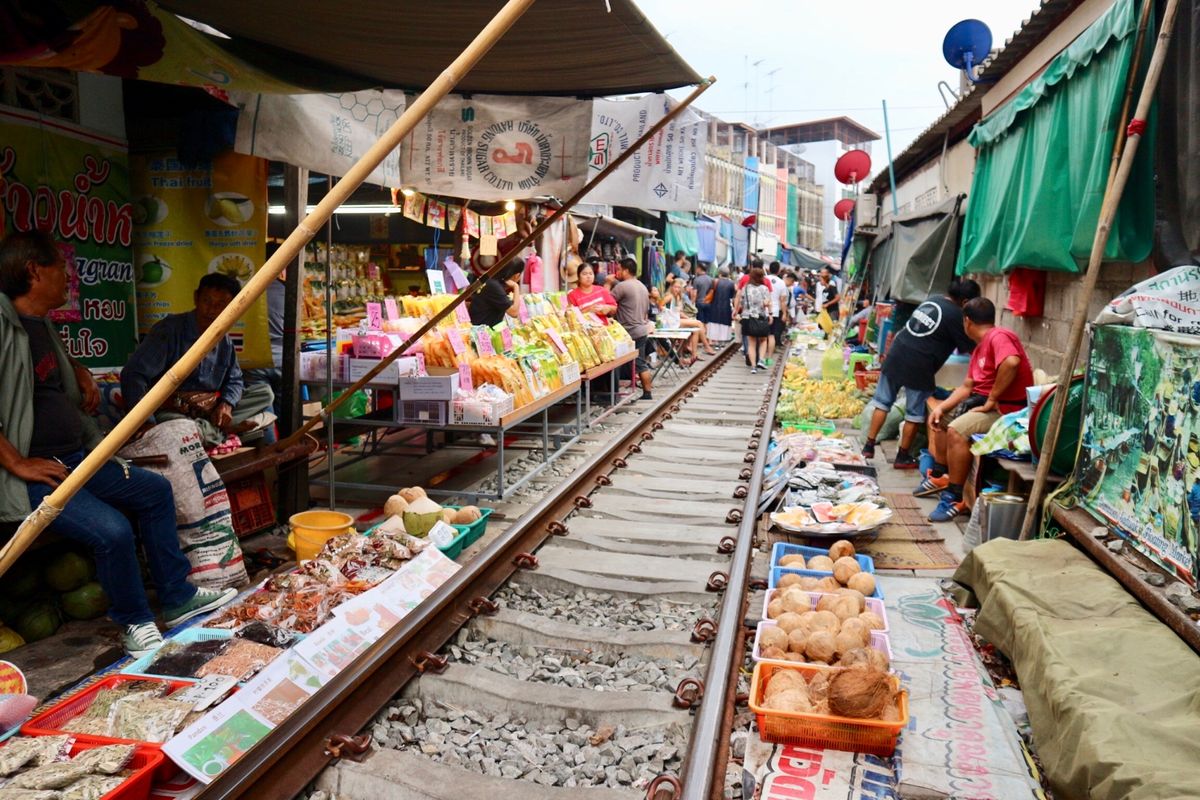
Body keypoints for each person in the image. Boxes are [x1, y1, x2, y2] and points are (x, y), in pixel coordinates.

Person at [0, 231, 235, 657]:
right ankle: (134, 622)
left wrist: (78, 371)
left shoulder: (41, 323)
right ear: (34, 271)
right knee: (112, 530)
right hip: (38, 473)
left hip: (76, 458)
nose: (68, 276)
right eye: (61, 267)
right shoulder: (2, 324)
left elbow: (47, 378)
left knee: (155, 491)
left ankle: (177, 596)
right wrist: (17, 462)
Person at [122, 273, 276, 448]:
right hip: (172, 412)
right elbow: (133, 374)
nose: (211, 310)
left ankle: (213, 430)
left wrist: (226, 404)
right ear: (196, 298)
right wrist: (146, 422)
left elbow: (234, 380)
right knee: (183, 430)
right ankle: (222, 431)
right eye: (207, 301)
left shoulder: (224, 340)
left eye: (220, 305)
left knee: (264, 393)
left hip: (209, 411)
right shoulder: (169, 330)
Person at [922, 298, 1035, 522]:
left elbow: (1011, 362)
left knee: (956, 430)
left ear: (967, 321)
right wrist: (941, 408)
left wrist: (992, 398)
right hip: (987, 405)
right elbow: (967, 387)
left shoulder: (998, 336)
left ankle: (954, 496)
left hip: (1008, 412)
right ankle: (943, 474)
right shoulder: (980, 348)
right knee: (940, 419)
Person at [861, 279, 981, 465]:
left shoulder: (933, 300)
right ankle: (902, 456)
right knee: (914, 414)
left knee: (882, 402)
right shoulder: (957, 315)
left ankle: (868, 447)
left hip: (896, 353)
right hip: (919, 364)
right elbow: (971, 348)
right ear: (965, 302)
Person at [611, 257, 654, 401]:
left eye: (619, 269)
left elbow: (607, 301)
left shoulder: (622, 286)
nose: (617, 272)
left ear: (626, 270)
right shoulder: (642, 286)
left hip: (628, 332)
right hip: (641, 330)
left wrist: (607, 283)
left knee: (617, 363)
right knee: (640, 362)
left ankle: (614, 393)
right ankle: (647, 392)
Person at [661, 277, 715, 360]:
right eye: (675, 287)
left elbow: (678, 312)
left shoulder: (678, 297)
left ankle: (694, 355)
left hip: (676, 321)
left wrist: (688, 318)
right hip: (671, 323)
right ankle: (706, 346)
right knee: (699, 323)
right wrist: (665, 311)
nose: (677, 289)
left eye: (679, 287)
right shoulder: (670, 296)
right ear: (671, 287)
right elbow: (659, 305)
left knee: (696, 330)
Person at [735, 265, 772, 373]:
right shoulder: (764, 289)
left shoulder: (745, 288)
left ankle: (753, 367)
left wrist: (736, 312)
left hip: (747, 318)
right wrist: (770, 314)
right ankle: (761, 360)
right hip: (760, 318)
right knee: (763, 340)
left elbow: (740, 302)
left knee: (751, 343)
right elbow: (767, 303)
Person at [467, 258, 525, 328]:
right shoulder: (495, 286)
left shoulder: (490, 279)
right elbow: (514, 312)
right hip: (480, 330)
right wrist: (516, 287)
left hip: (477, 325)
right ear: (517, 275)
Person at [706, 266, 736, 343]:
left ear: (719, 273)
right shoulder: (732, 283)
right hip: (726, 307)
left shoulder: (715, 282)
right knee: (725, 324)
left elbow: (710, 292)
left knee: (714, 324)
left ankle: (715, 341)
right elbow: (732, 296)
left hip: (714, 306)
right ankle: (723, 341)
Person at [767, 261, 790, 353]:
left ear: (769, 269)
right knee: (772, 334)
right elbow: (782, 301)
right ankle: (769, 355)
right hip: (775, 311)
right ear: (779, 271)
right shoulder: (781, 283)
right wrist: (784, 313)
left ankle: (760, 353)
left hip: (763, 309)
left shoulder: (764, 279)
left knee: (762, 334)